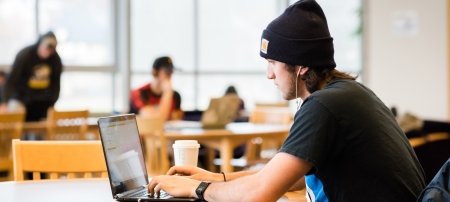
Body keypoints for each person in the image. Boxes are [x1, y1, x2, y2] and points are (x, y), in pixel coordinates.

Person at [147, 1, 426, 201]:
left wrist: (194, 190)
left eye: (273, 63)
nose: (269, 75)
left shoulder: (324, 106)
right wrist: (213, 178)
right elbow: (290, 177)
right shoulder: (347, 93)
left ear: (301, 66)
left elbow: (259, 194)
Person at [3, 31, 63, 121]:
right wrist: (6, 101)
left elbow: (56, 85)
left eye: (51, 49)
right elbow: (12, 80)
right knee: (16, 111)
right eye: (46, 47)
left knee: (50, 118)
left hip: (43, 101)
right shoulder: (25, 55)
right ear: (40, 44)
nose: (47, 51)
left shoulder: (55, 60)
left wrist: (52, 102)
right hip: (21, 98)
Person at [129, 56, 182, 121]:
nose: (170, 76)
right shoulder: (139, 93)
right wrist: (167, 93)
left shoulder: (175, 96)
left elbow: (176, 120)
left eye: (171, 72)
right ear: (154, 72)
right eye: (167, 72)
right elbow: (154, 120)